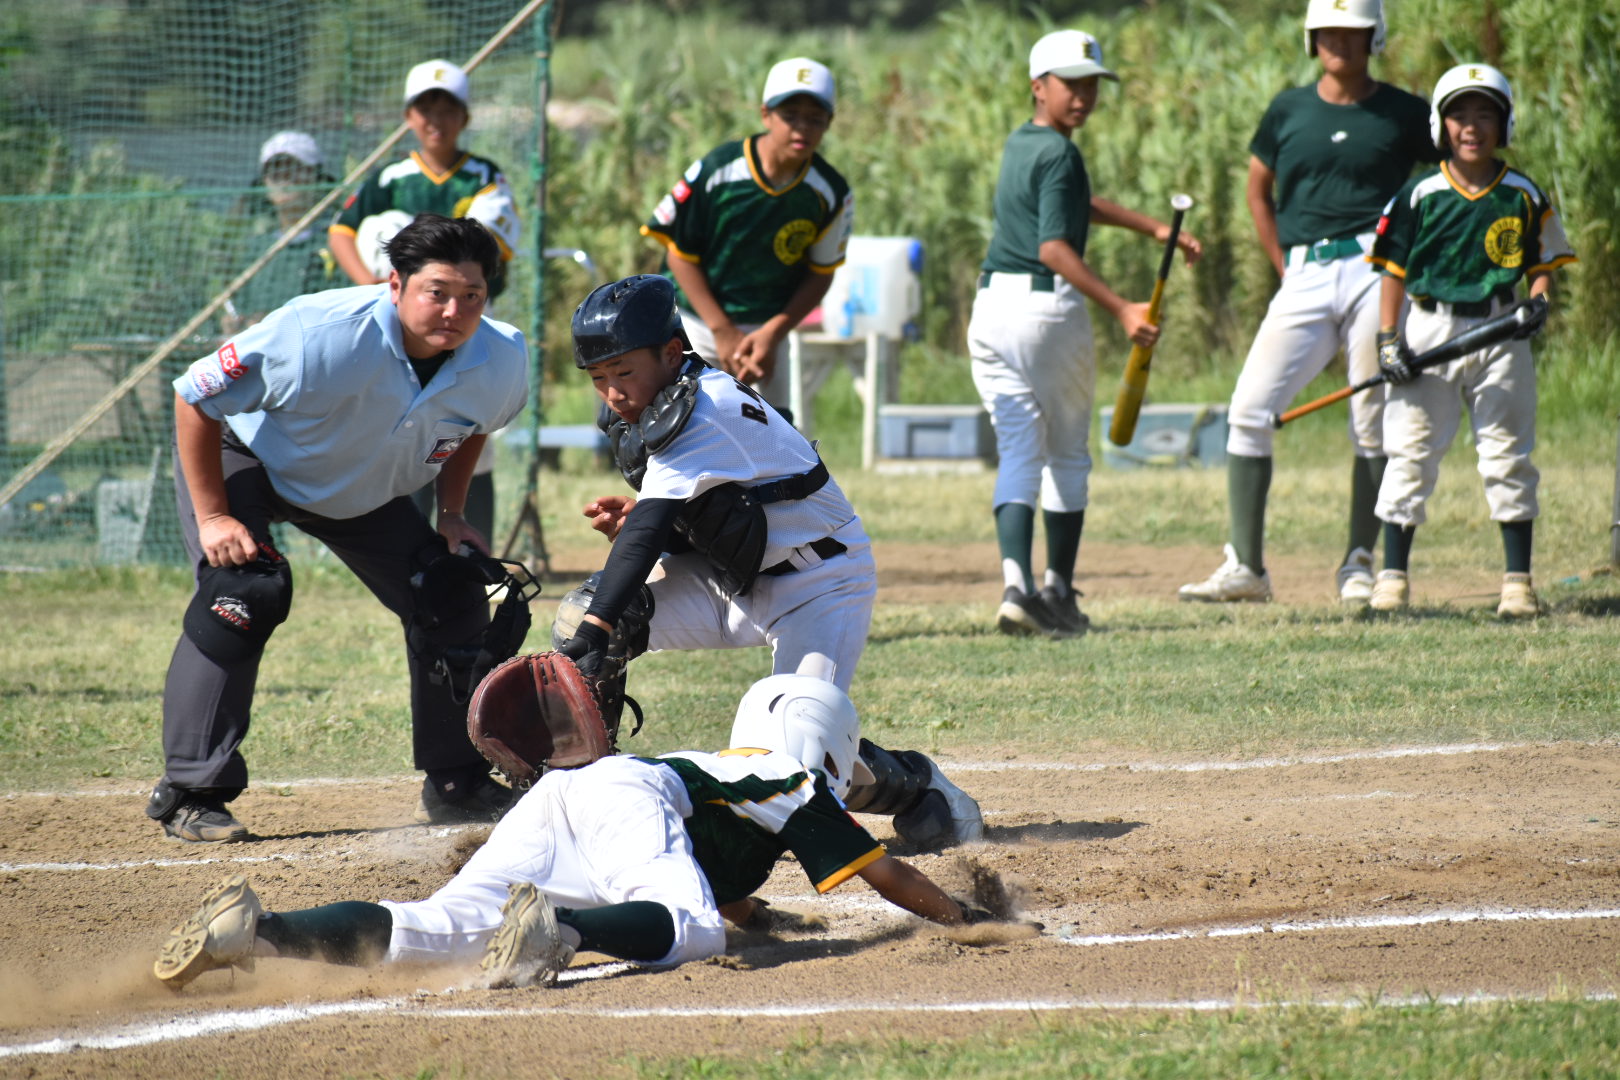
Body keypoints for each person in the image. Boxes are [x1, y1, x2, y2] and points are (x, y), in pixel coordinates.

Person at [153, 676, 986, 991]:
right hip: (627, 799)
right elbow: (890, 877)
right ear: (833, 747)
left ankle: (261, 933)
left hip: (571, 794)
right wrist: (967, 918)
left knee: (436, 929)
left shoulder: (739, 773)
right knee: (690, 931)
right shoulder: (800, 783)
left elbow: (712, 877)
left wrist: (761, 918)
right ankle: (562, 931)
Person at [552, 273, 982, 850]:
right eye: (598, 377)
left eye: (623, 372)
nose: (612, 391)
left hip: (820, 583)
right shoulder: (661, 404)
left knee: (789, 773)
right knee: (582, 616)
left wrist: (602, 618)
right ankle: (591, 794)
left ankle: (914, 785)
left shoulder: (706, 409)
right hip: (734, 581)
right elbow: (710, 518)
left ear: (672, 352)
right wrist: (631, 556)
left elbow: (650, 532)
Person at [147, 215, 528, 845]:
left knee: (450, 593)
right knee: (243, 594)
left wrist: (452, 514)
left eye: (472, 295)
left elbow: (474, 424)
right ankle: (191, 791)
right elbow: (195, 394)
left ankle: (457, 780)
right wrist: (214, 516)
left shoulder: (502, 355)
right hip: (251, 459)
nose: (454, 310)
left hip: (360, 488)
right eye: (436, 291)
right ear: (395, 284)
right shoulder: (316, 332)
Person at [1179, 0, 1438, 606]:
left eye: (1352, 31)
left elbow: (1455, 175)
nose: (1338, 41)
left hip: (1377, 269)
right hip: (1304, 271)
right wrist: (1283, 267)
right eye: (1328, 32)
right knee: (1249, 409)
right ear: (1311, 37)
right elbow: (1257, 190)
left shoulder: (1404, 111)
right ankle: (1246, 567)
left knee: (1371, 416)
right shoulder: (1288, 109)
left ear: (1374, 36)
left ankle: (1359, 561)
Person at [970, 29, 1202, 639]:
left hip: (990, 310)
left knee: (1020, 451)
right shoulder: (1061, 153)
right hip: (1044, 314)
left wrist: (1154, 228)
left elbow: (1075, 203)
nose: (1082, 95)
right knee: (1067, 454)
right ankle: (1059, 593)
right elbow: (1053, 245)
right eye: (1070, 83)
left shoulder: (1023, 143)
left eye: (1091, 84)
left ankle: (1016, 589)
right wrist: (1121, 308)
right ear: (1038, 86)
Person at [1364, 64, 1576, 618]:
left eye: (1486, 114)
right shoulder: (1421, 192)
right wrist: (1388, 340)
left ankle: (1517, 583)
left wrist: (1538, 301)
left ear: (1505, 124)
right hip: (1430, 328)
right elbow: (1391, 272)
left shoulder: (1522, 193)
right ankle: (1392, 579)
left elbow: (1542, 264)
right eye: (1460, 115)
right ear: (1441, 125)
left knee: (1507, 453)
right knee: (1410, 450)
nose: (1472, 127)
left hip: (1502, 329)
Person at [328, 58, 521, 541]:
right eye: (425, 109)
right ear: (408, 117)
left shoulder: (482, 174)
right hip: (402, 323)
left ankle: (472, 548)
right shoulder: (390, 177)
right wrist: (373, 286)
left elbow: (492, 246)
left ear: (465, 117)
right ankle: (411, 551)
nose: (436, 120)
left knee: (471, 430)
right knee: (405, 429)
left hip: (468, 317)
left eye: (448, 108)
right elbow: (342, 231)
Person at [640, 57, 854, 416]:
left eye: (815, 118)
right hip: (698, 320)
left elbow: (821, 271)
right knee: (685, 425)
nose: (802, 127)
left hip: (768, 331)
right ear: (766, 114)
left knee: (775, 430)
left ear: (829, 123)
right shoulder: (720, 170)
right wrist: (722, 330)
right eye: (790, 115)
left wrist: (773, 333)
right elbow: (681, 255)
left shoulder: (830, 192)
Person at [222, 132, 343, 336]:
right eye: (275, 171)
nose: (284, 179)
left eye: (294, 168)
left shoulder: (336, 243)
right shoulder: (255, 249)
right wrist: (234, 324)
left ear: (318, 177)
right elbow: (237, 307)